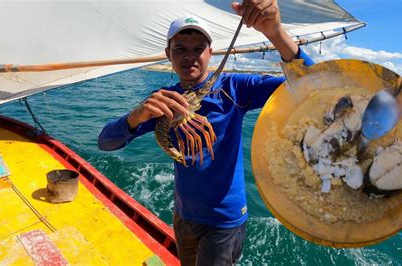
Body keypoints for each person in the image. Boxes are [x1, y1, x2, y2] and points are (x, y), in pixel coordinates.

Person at [98, 0, 314, 264]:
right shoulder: (163, 101)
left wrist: (275, 32)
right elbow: (105, 143)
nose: (190, 56)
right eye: (180, 49)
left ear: (211, 52)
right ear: (169, 53)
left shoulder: (235, 88)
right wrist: (136, 116)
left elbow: (310, 85)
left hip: (223, 222)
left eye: (198, 49)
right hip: (183, 215)